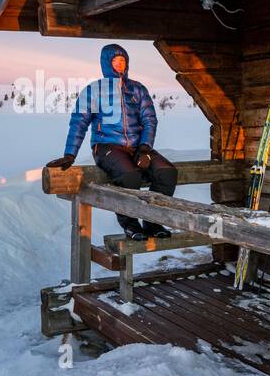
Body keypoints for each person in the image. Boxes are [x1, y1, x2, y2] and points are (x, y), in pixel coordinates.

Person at [45, 43, 178, 240]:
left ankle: (152, 222)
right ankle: (131, 225)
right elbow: (79, 122)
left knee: (167, 172)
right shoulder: (94, 90)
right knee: (130, 177)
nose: (119, 64)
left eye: (122, 60)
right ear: (106, 64)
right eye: (115, 61)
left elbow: (149, 119)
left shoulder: (138, 89)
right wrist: (69, 154)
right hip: (106, 146)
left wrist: (144, 148)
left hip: (136, 147)